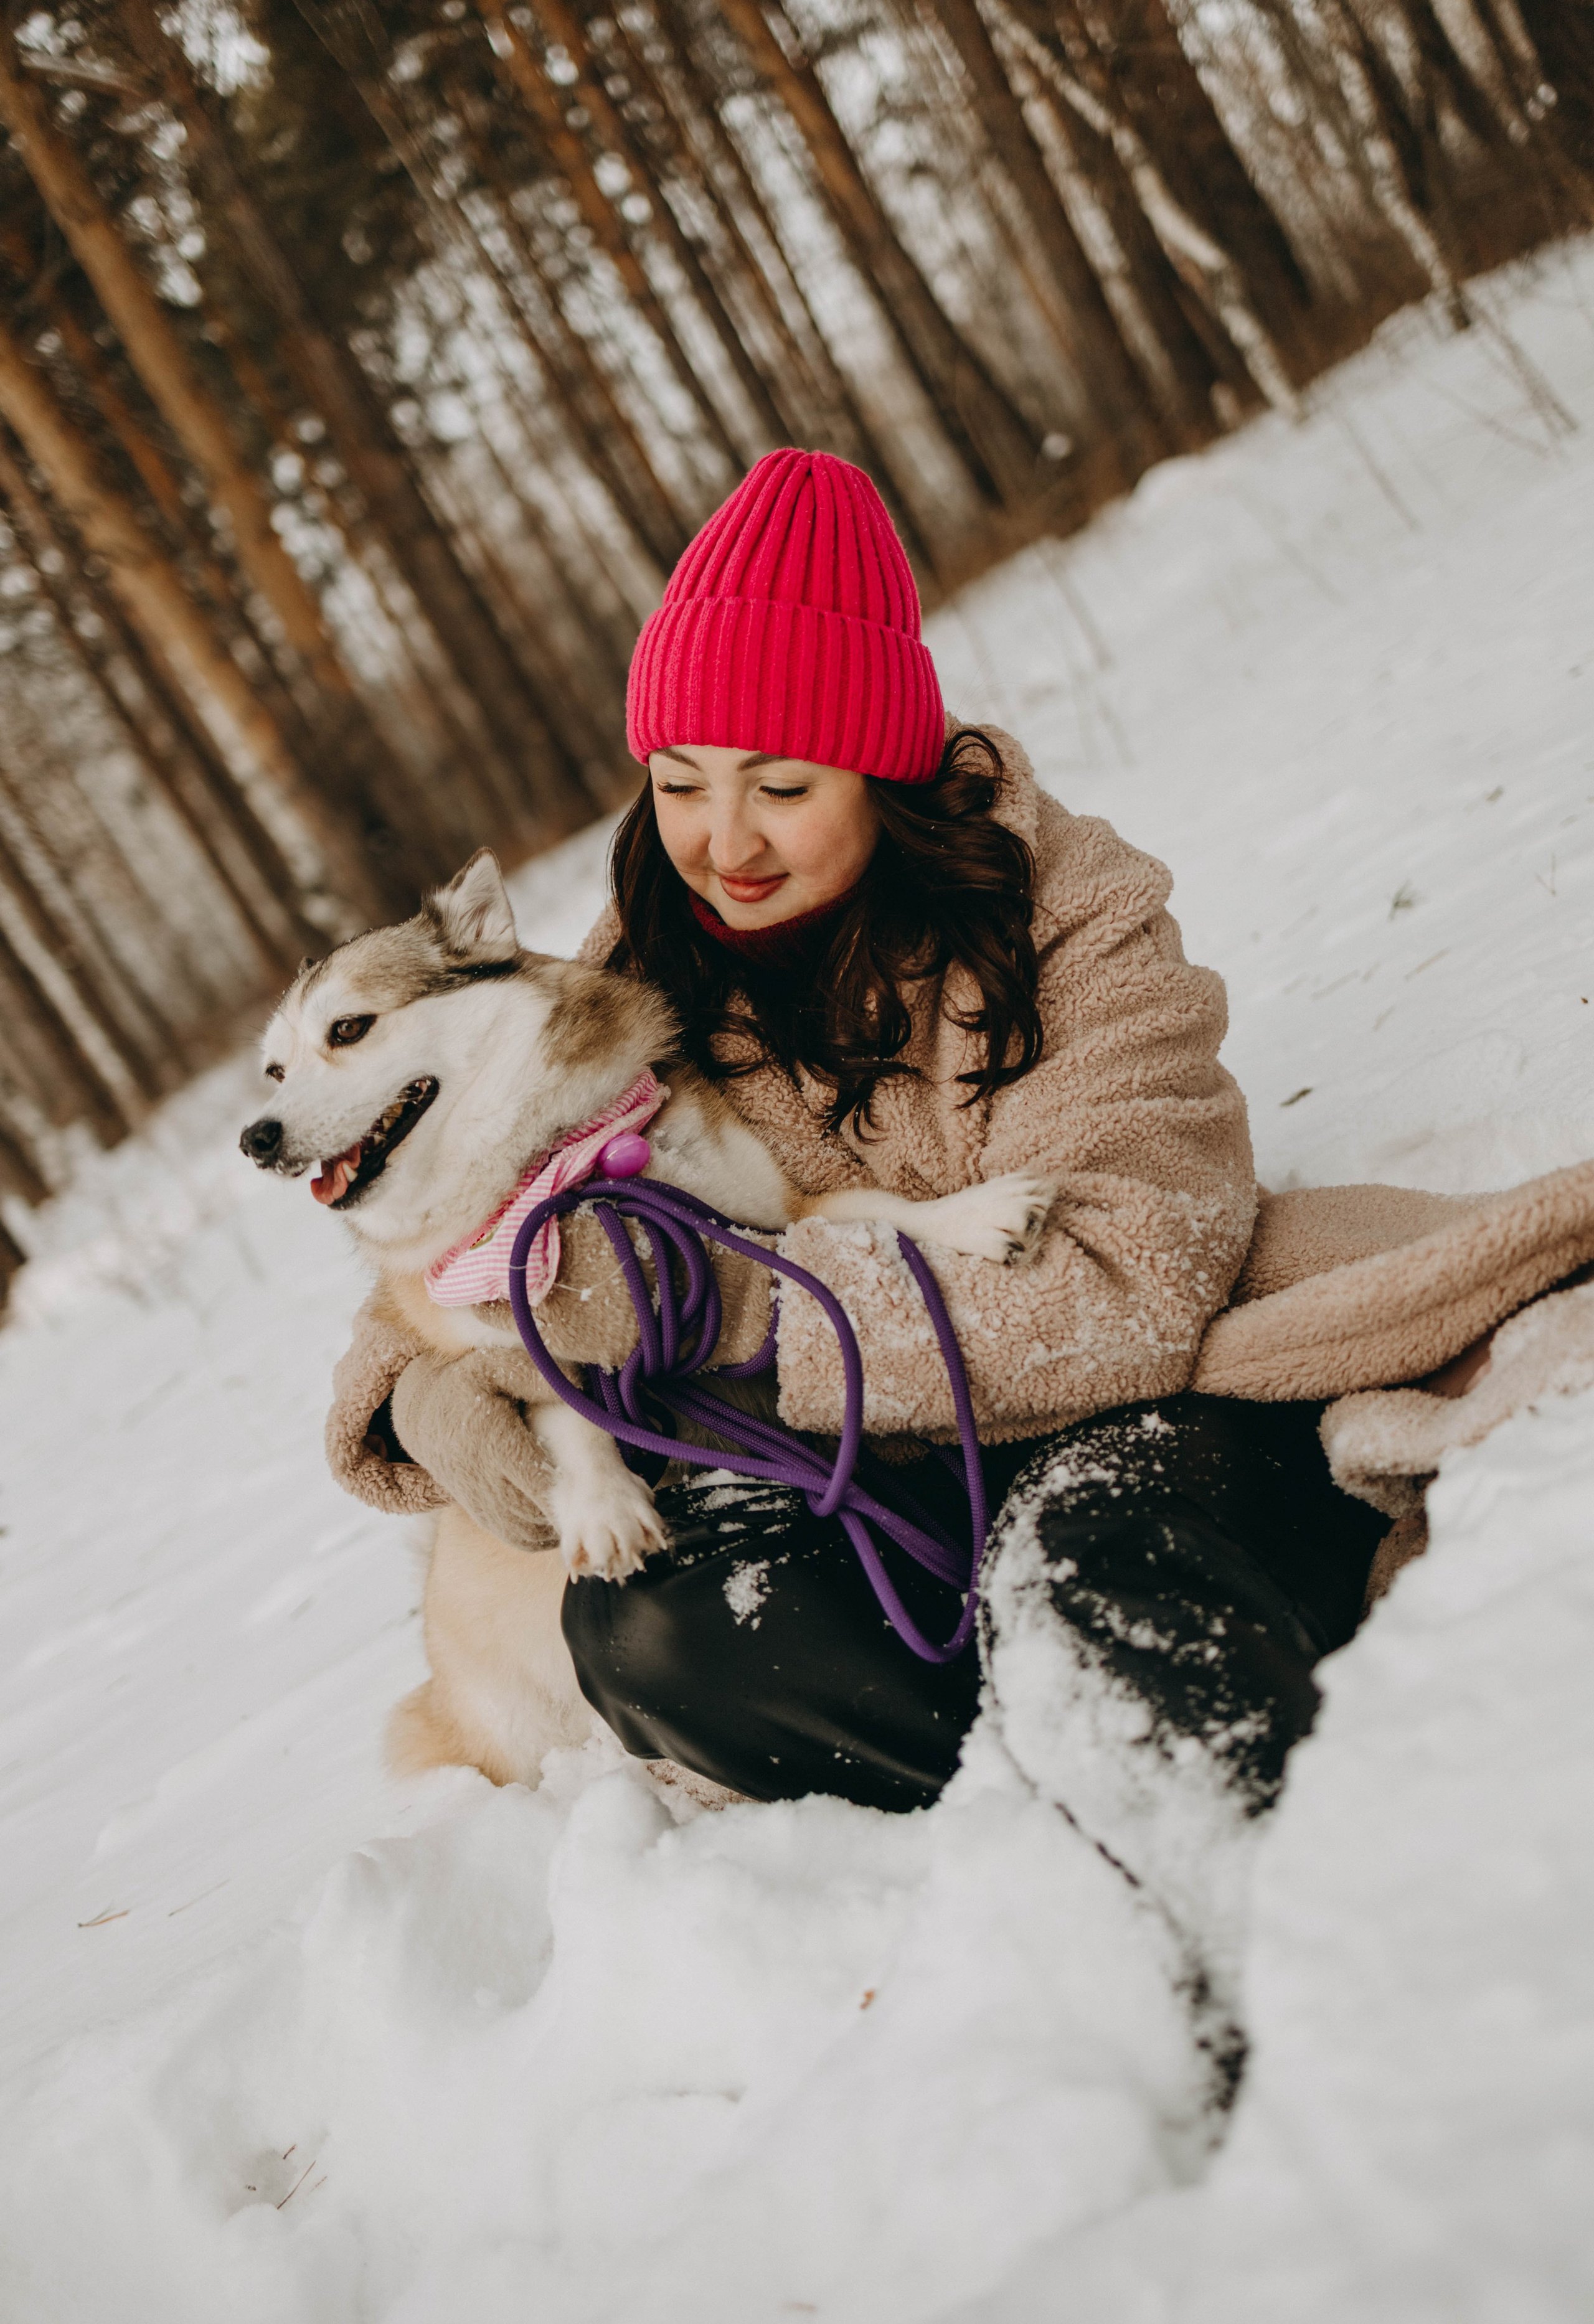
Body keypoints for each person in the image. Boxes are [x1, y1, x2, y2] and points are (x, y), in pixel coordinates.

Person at [334, 448, 1387, 1823]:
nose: (724, 842)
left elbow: (1134, 1275)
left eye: (781, 786)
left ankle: (1181, 1831)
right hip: (865, 1484)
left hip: (1121, 1417)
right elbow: (445, 1237)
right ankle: (1028, 1803)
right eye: (681, 781)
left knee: (1092, 1572)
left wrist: (736, 1312)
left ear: (883, 773)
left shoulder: (1078, 916)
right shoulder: (637, 971)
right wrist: (424, 1394)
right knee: (658, 1637)